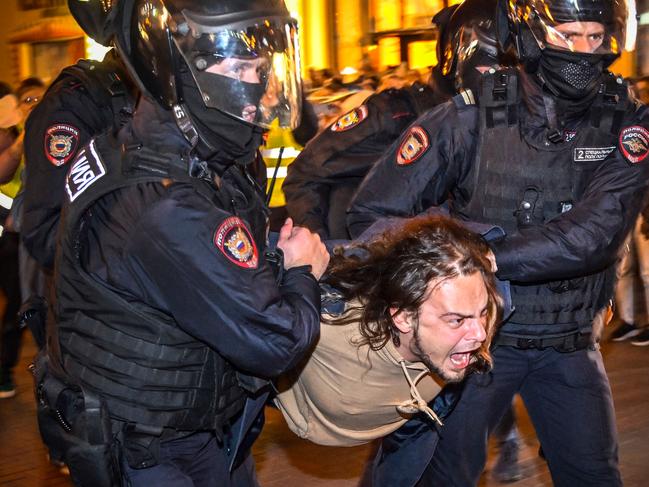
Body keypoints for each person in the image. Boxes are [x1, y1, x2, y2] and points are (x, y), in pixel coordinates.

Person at [347, 0, 648, 484]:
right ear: (531, 35)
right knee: (441, 474)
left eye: (596, 38)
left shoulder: (625, 122)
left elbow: (597, 234)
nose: (585, 51)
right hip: (475, 344)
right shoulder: (469, 117)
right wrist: (435, 266)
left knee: (594, 474)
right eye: (569, 36)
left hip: (569, 342)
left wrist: (484, 255)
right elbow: (375, 212)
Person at [39, 2, 329, 487]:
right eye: (238, 67)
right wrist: (302, 271)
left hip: (189, 426)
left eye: (260, 68)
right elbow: (274, 340)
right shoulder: (167, 202)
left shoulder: (164, 147)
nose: (255, 87)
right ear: (175, 71)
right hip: (153, 448)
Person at [282, 0, 504, 240]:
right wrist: (321, 251)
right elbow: (304, 173)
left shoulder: (497, 126)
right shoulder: (394, 115)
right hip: (370, 263)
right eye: (502, 68)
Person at [274, 215, 502, 447]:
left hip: (414, 424)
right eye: (456, 320)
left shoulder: (479, 308)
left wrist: (481, 246)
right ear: (403, 318)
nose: (480, 334)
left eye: (481, 313)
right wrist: (299, 268)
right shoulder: (327, 324)